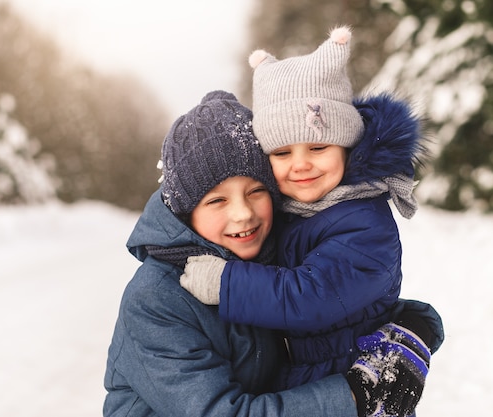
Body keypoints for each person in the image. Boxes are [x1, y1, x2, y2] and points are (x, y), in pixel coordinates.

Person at [103, 90, 430, 417]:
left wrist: (415, 329)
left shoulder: (265, 251)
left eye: (256, 192)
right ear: (186, 211)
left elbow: (338, 300)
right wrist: (355, 396)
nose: (243, 214)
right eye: (217, 201)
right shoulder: (156, 300)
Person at [179, 27, 443, 417]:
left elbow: (312, 296)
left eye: (318, 147)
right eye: (282, 152)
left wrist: (226, 282)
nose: (300, 164)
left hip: (353, 386)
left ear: (346, 145)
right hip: (309, 379)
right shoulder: (295, 210)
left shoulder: (363, 219)